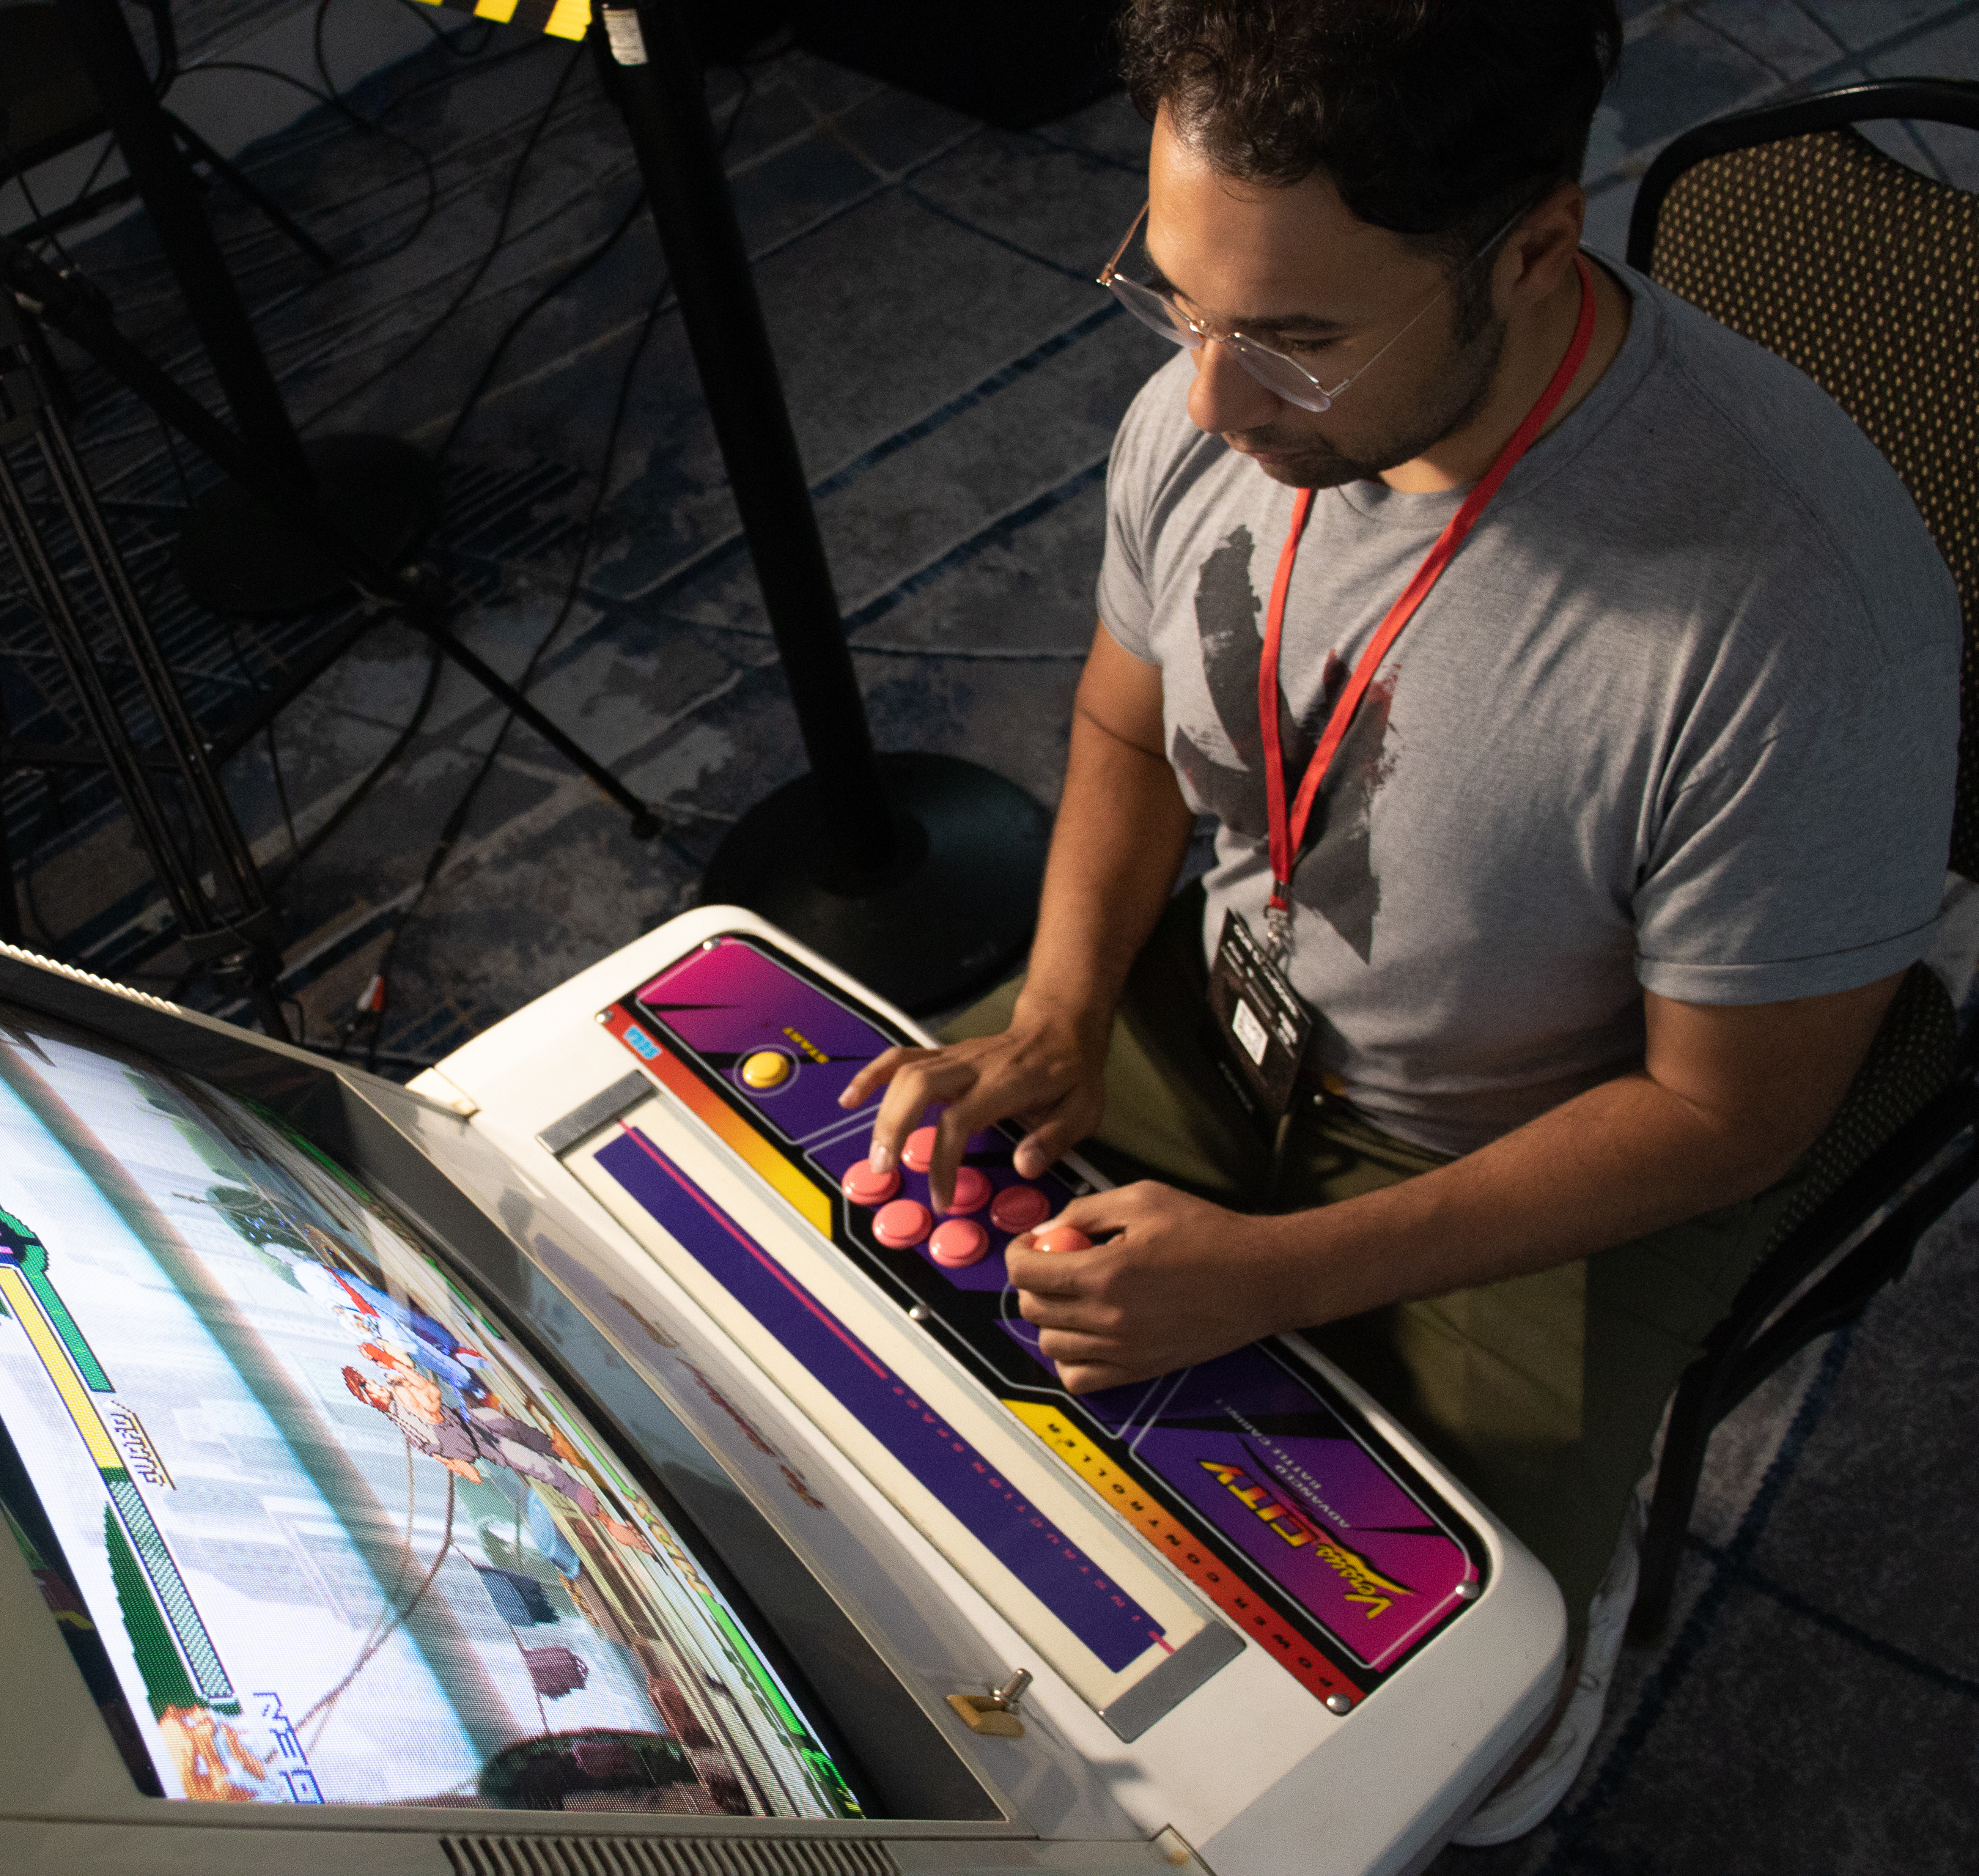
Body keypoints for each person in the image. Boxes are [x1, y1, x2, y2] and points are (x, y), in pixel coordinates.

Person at [839, 0, 1956, 1843]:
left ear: (1533, 246)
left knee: (1441, 1750)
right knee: (875, 1344)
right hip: (1233, 1000)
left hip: (1548, 1133)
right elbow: (1123, 723)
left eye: (1296, 337)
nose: (1210, 402)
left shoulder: (1794, 629)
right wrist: (1056, 1009)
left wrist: (1277, 1274)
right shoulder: (1215, 408)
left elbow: (1724, 1118)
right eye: (1176, 299)